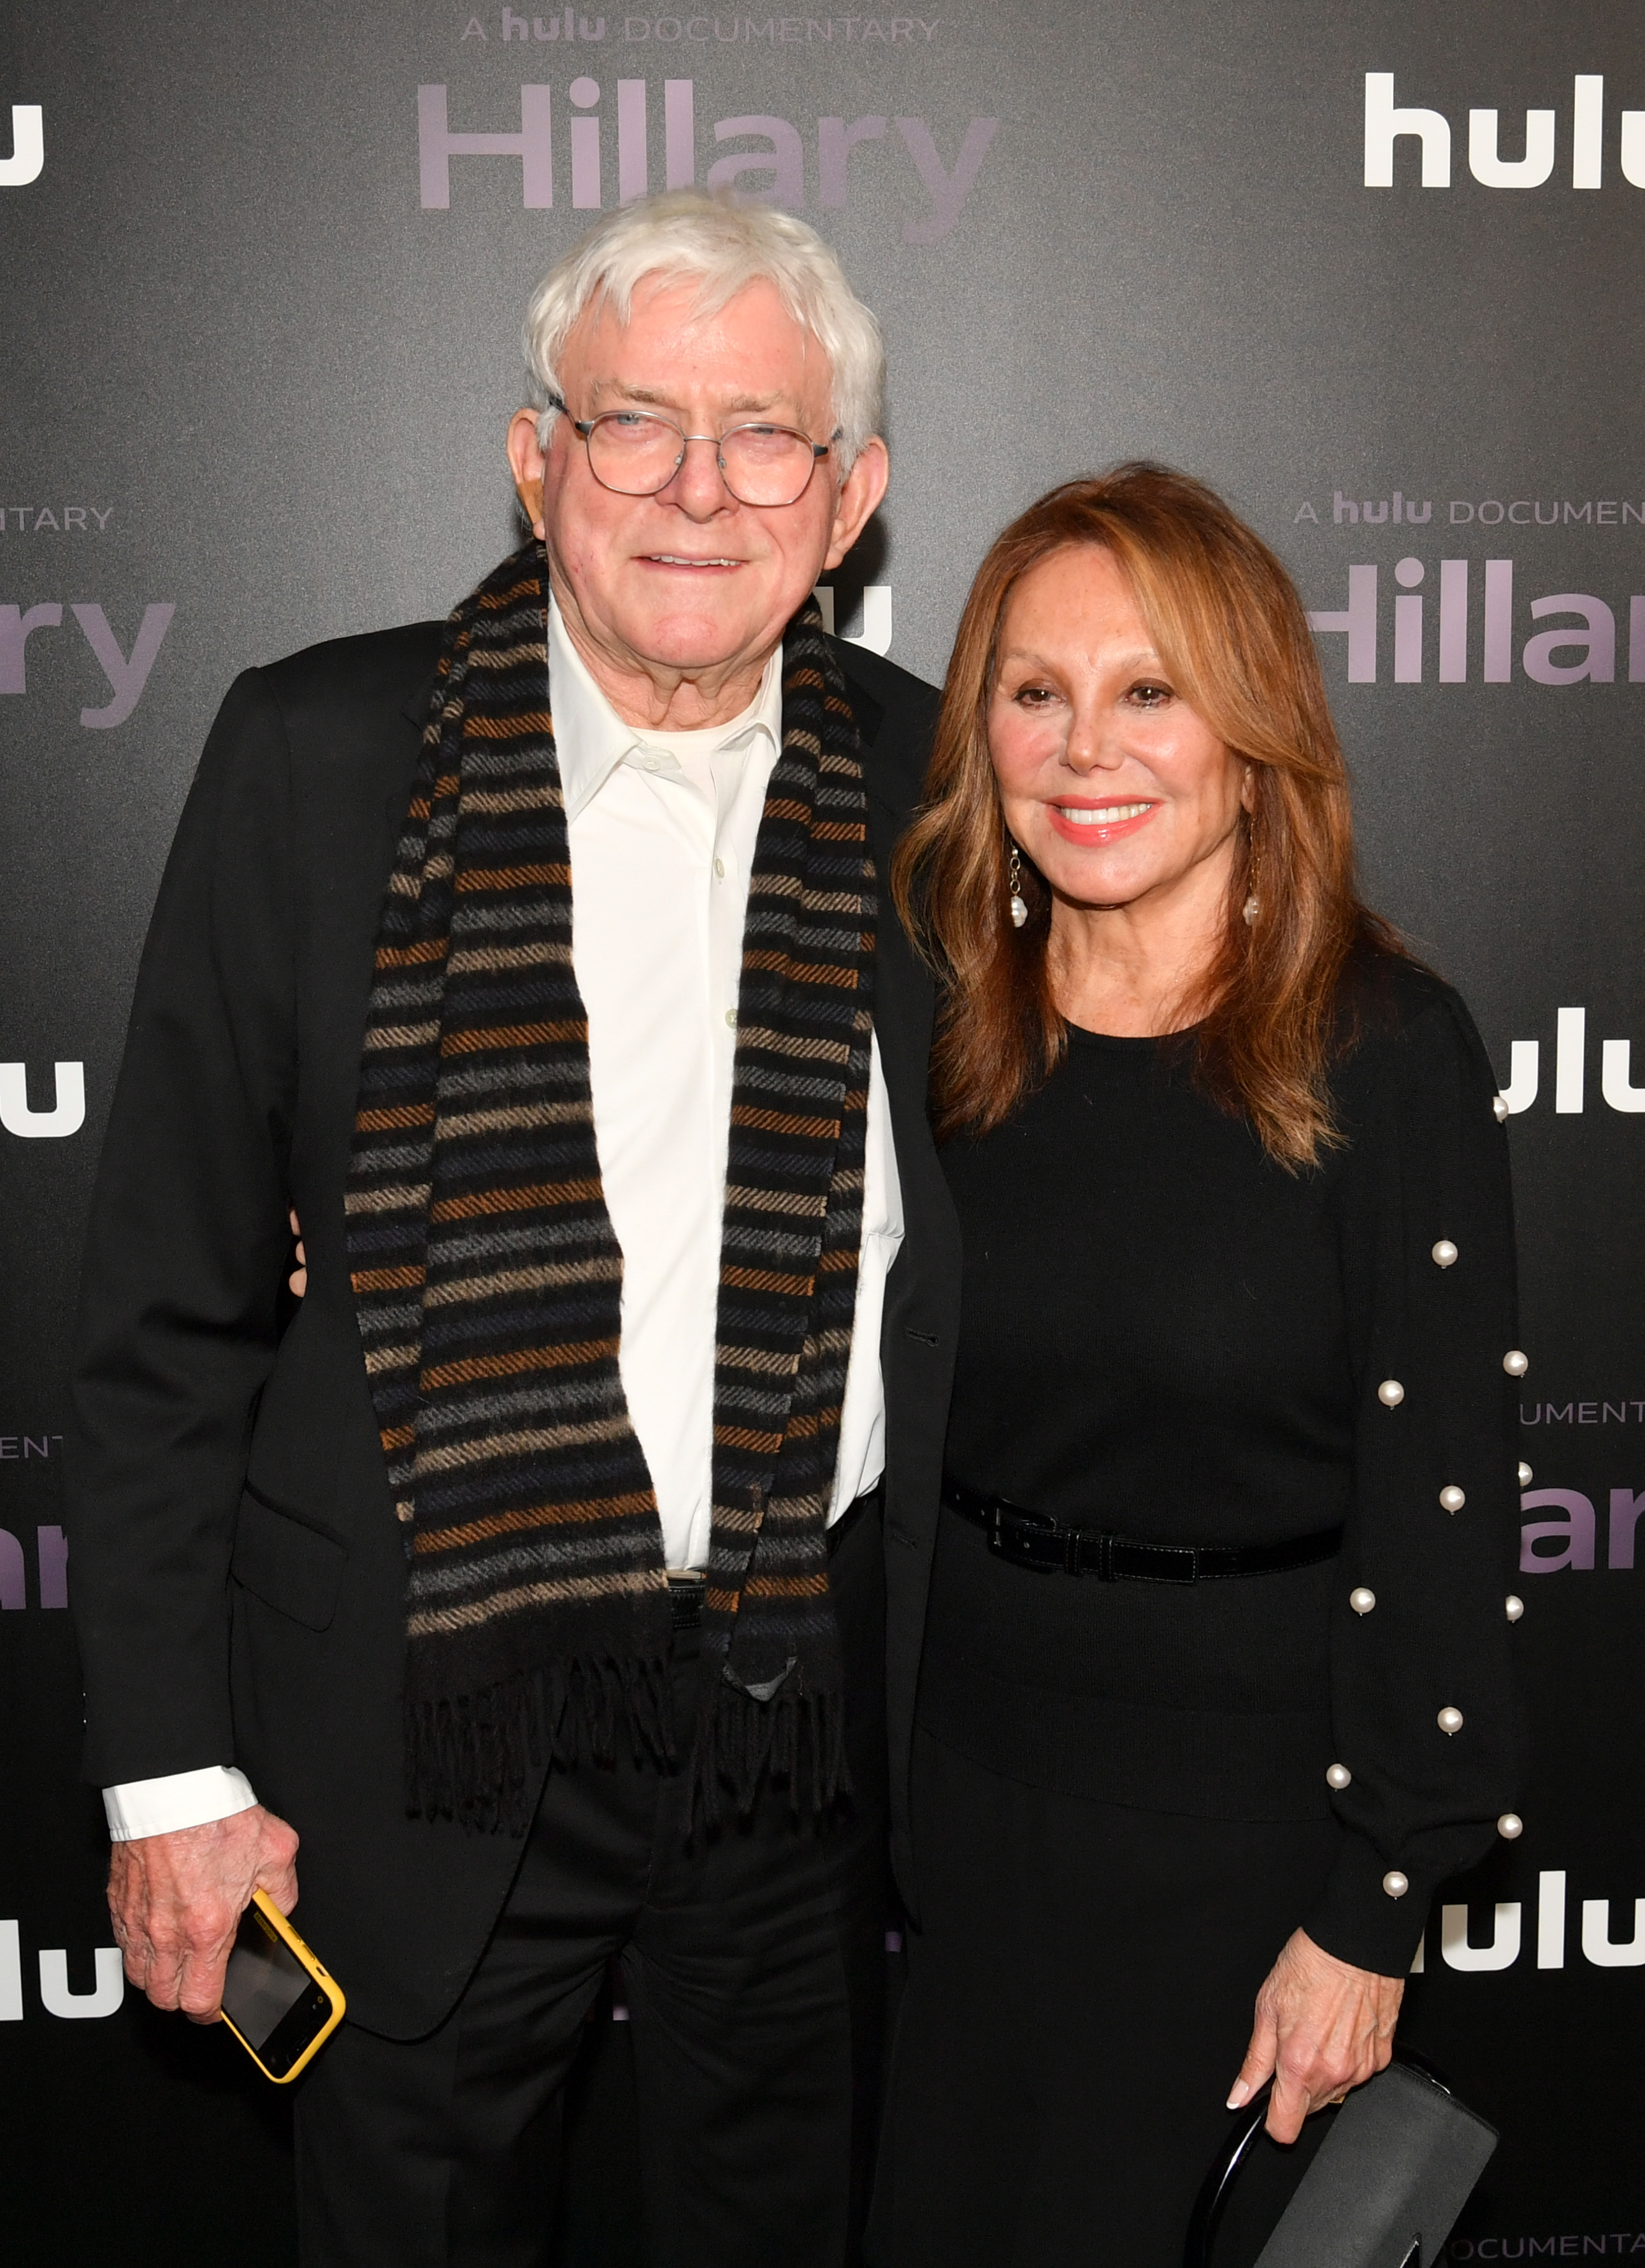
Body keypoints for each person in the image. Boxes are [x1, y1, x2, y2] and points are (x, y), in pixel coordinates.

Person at [64, 191, 957, 2268]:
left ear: (855, 500)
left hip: (797, 1720)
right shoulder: (316, 757)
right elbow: (167, 1326)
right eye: (635, 423)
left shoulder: (946, 793)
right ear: (534, 456)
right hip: (415, 1724)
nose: (699, 491)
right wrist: (166, 1784)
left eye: (767, 439)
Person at [868, 466, 1523, 2266]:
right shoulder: (941, 1031)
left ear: (1252, 733)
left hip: (1246, 1852)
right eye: (1035, 690)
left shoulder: (1387, 1053)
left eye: (1150, 691)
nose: (1089, 749)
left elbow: (1448, 1504)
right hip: (965, 1818)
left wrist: (1376, 1912)